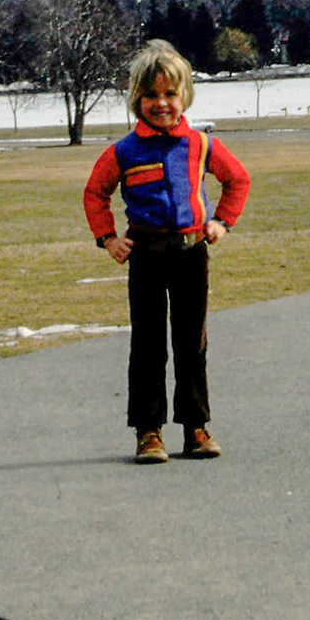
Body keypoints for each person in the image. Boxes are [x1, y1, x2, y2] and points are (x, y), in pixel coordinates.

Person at [84, 40, 251, 465]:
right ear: (137, 99)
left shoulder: (200, 144)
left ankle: (196, 427)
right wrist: (108, 239)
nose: (162, 104)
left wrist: (221, 222)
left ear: (185, 96)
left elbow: (238, 181)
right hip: (146, 257)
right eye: (152, 95)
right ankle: (148, 431)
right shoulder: (123, 152)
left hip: (192, 253)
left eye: (170, 94)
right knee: (148, 344)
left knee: (191, 343)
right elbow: (94, 194)